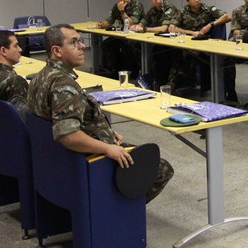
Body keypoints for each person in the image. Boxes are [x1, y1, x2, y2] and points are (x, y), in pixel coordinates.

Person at [27, 24, 173, 203]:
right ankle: (117, 208)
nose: (82, 46)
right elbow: (68, 135)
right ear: (57, 51)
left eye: (80, 41)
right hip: (89, 161)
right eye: (74, 42)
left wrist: (104, 132)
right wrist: (107, 148)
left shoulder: (41, 76)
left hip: (57, 161)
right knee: (161, 169)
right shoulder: (63, 85)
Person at [168, 0, 230, 90]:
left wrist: (210, 25)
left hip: (204, 45)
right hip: (187, 44)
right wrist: (191, 33)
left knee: (192, 57)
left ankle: (182, 81)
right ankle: (175, 81)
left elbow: (226, 17)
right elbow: (171, 28)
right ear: (188, 2)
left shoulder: (207, 9)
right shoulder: (182, 11)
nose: (197, 0)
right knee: (174, 53)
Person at [131, 0, 180, 88]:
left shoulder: (169, 8)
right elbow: (143, 23)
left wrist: (144, 29)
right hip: (159, 41)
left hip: (173, 43)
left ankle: (159, 81)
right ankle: (147, 78)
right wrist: (136, 27)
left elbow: (164, 28)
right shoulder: (152, 10)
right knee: (134, 46)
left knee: (158, 54)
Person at [97, 0, 144, 76]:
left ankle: (133, 71)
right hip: (123, 35)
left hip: (137, 35)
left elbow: (131, 24)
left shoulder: (136, 5)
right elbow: (109, 20)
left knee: (128, 46)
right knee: (107, 44)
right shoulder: (117, 6)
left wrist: (122, 11)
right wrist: (102, 24)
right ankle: (113, 70)